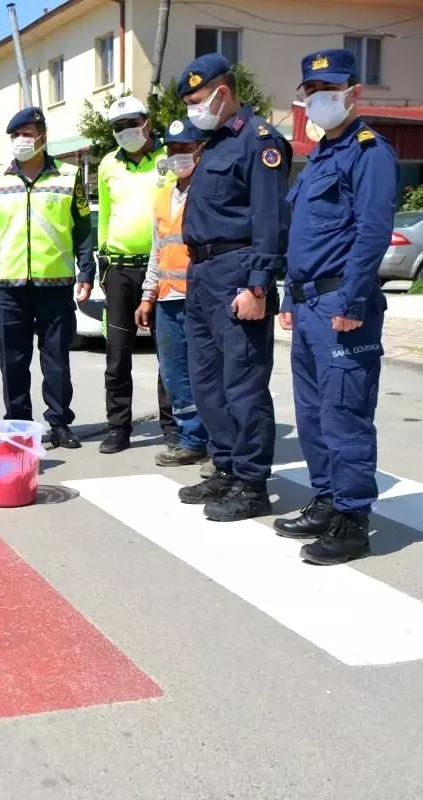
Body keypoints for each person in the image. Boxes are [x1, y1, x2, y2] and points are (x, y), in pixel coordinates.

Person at [274, 49, 399, 566]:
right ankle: (326, 498)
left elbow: (371, 233)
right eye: (312, 91)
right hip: (307, 305)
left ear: (353, 92)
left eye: (330, 89)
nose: (319, 99)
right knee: (312, 414)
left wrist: (351, 298)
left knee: (345, 413)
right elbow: (301, 238)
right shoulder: (321, 155)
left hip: (341, 304)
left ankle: (352, 520)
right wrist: (287, 294)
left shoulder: (370, 152)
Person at [174, 54, 291, 522]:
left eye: (198, 100)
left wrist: (258, 285)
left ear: (223, 92)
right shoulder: (214, 143)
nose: (193, 110)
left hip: (237, 272)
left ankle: (251, 481)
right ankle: (224, 466)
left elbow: (269, 219)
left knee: (243, 383)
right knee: (207, 382)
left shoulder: (259, 142)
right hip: (201, 275)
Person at [0, 106, 94, 450]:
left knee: (56, 358)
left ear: (42, 137)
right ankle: (19, 422)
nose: (21, 140)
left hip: (55, 284)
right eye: (15, 135)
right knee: (13, 360)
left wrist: (86, 268)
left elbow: (82, 228)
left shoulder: (68, 177)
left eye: (27, 134)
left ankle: (60, 422)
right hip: (8, 286)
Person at [96, 95, 177, 456]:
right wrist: (102, 260)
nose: (125, 131)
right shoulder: (107, 165)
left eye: (131, 123)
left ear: (147, 121)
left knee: (169, 351)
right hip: (119, 267)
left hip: (161, 266)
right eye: (118, 126)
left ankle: (173, 426)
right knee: (117, 354)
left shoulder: (168, 158)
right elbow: (105, 216)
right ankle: (118, 427)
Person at [136, 118, 211, 468]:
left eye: (185, 148)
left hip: (201, 296)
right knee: (174, 373)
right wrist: (147, 294)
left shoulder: (210, 191)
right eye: (173, 149)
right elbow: (157, 249)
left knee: (207, 373)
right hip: (167, 298)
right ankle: (190, 438)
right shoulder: (163, 196)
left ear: (200, 149)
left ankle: (216, 440)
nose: (178, 155)